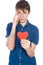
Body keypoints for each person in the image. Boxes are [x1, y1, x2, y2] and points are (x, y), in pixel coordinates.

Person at [6, 0, 39, 65]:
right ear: (16, 12)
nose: (22, 16)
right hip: (13, 63)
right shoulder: (10, 26)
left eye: (24, 12)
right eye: (19, 12)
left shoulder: (34, 29)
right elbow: (10, 47)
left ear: (28, 13)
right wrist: (14, 25)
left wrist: (28, 48)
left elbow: (32, 54)